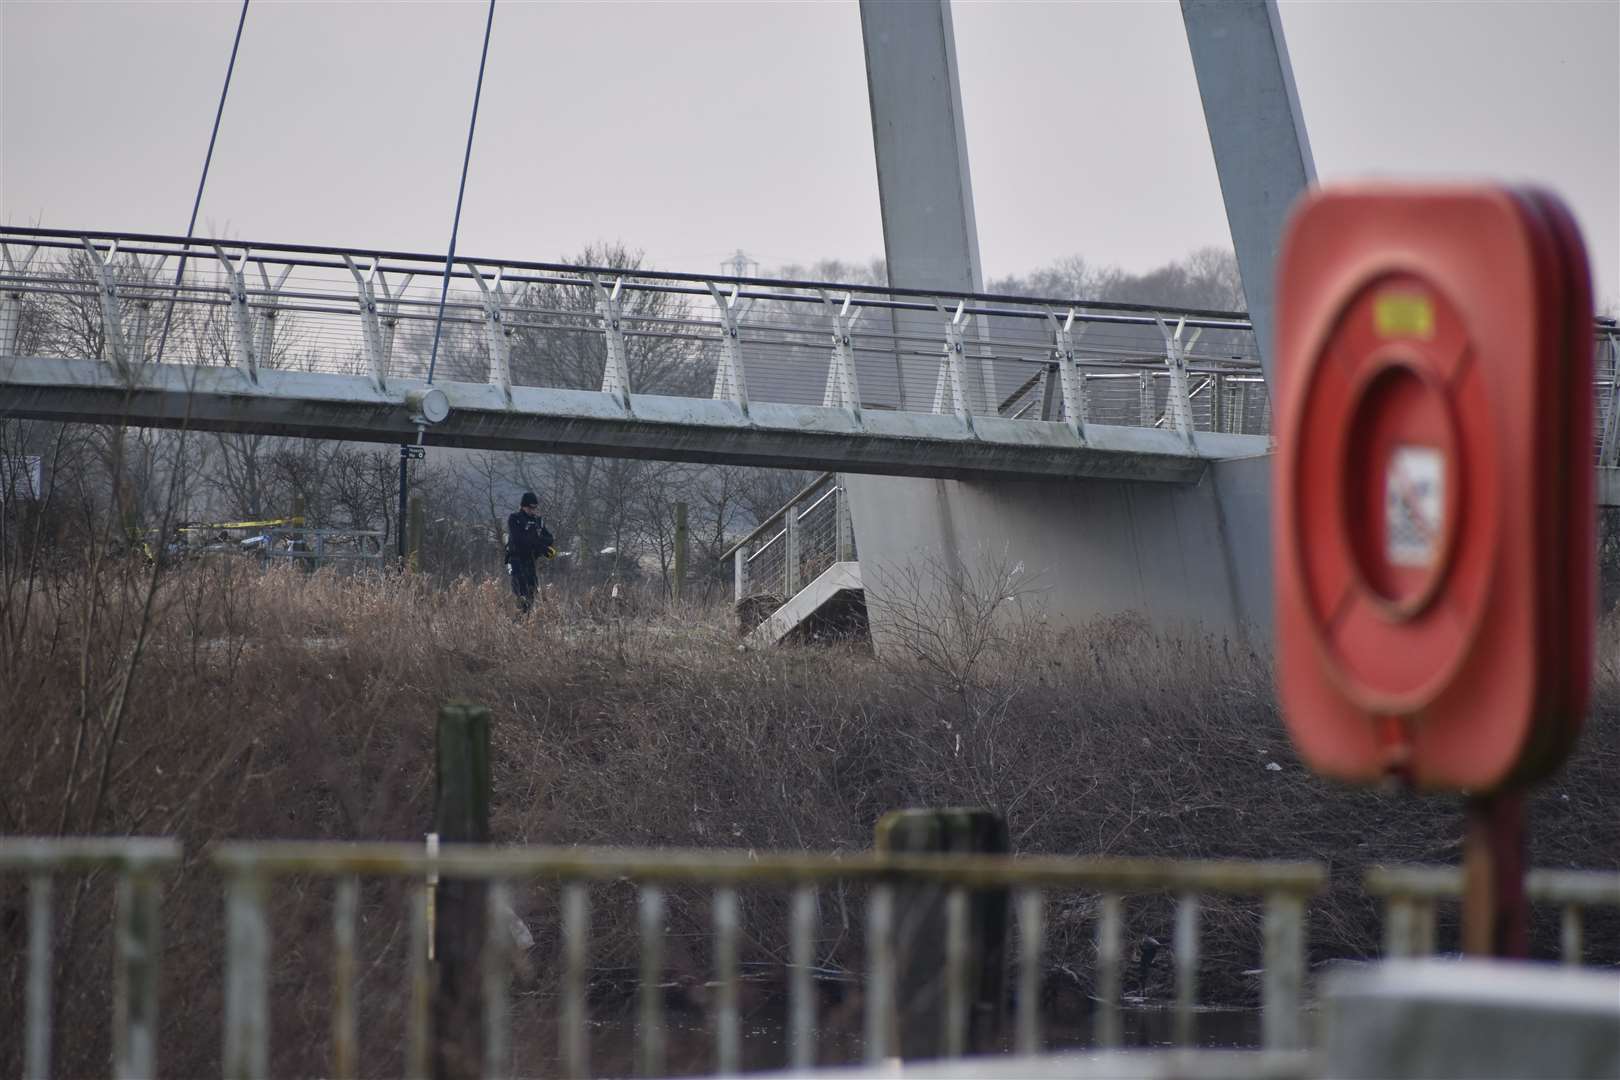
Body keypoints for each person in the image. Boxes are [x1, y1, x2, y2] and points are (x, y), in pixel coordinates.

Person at [505, 491, 555, 614]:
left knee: (532, 590)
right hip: (516, 559)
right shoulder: (515, 519)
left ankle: (527, 619)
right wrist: (538, 543)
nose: (533, 510)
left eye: (535, 508)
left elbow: (549, 538)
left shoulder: (538, 521)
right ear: (523, 506)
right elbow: (519, 539)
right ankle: (518, 619)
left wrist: (542, 546)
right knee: (520, 592)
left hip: (530, 560)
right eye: (530, 508)